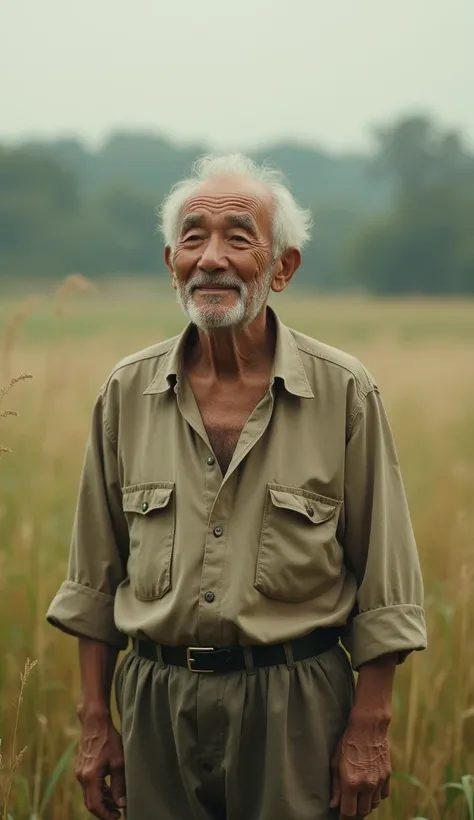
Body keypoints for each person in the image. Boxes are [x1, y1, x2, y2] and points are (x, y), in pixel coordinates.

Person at [47, 154, 427, 820]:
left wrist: (370, 726)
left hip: (295, 710)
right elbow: (94, 578)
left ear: (282, 267)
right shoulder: (126, 393)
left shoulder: (344, 392)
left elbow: (387, 583)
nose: (211, 258)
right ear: (172, 262)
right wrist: (94, 719)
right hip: (154, 706)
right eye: (193, 238)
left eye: (238, 237)